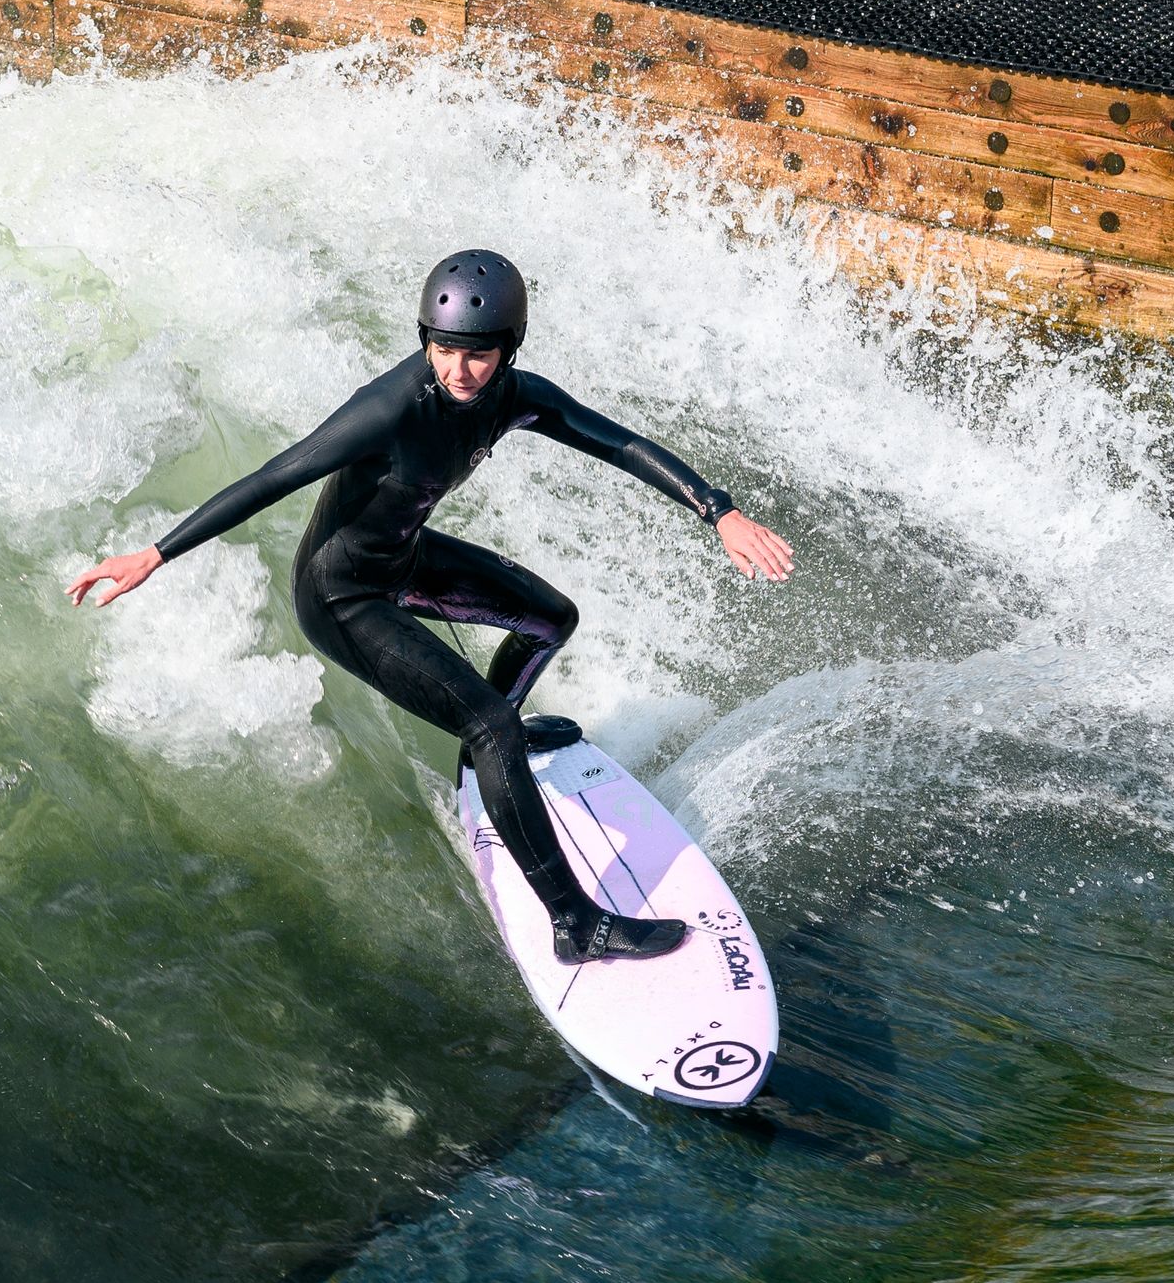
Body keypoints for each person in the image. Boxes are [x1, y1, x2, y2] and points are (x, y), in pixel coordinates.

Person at [65, 250, 793, 965]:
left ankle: (488, 760)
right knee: (493, 722)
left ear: (508, 350)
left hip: (404, 557)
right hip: (342, 594)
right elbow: (276, 473)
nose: (457, 370)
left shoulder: (514, 395)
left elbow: (618, 442)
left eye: (476, 354)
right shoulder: (390, 409)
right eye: (442, 348)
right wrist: (155, 553)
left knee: (550, 621)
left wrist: (719, 512)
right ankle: (576, 924)